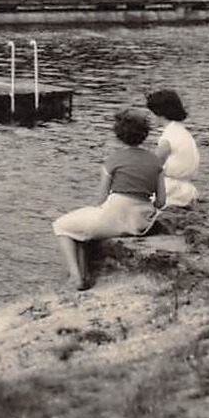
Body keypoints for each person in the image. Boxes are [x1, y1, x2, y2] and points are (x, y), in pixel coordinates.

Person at [53, 107, 167, 291]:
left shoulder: (113, 160)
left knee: (61, 225)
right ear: (145, 134)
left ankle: (76, 277)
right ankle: (85, 276)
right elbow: (161, 201)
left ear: (118, 134)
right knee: (81, 234)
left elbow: (101, 198)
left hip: (115, 217)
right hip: (140, 222)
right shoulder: (155, 161)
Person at [146, 88, 199, 207]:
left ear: (159, 112)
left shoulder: (168, 137)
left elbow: (153, 166)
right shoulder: (184, 133)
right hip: (187, 189)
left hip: (170, 189)